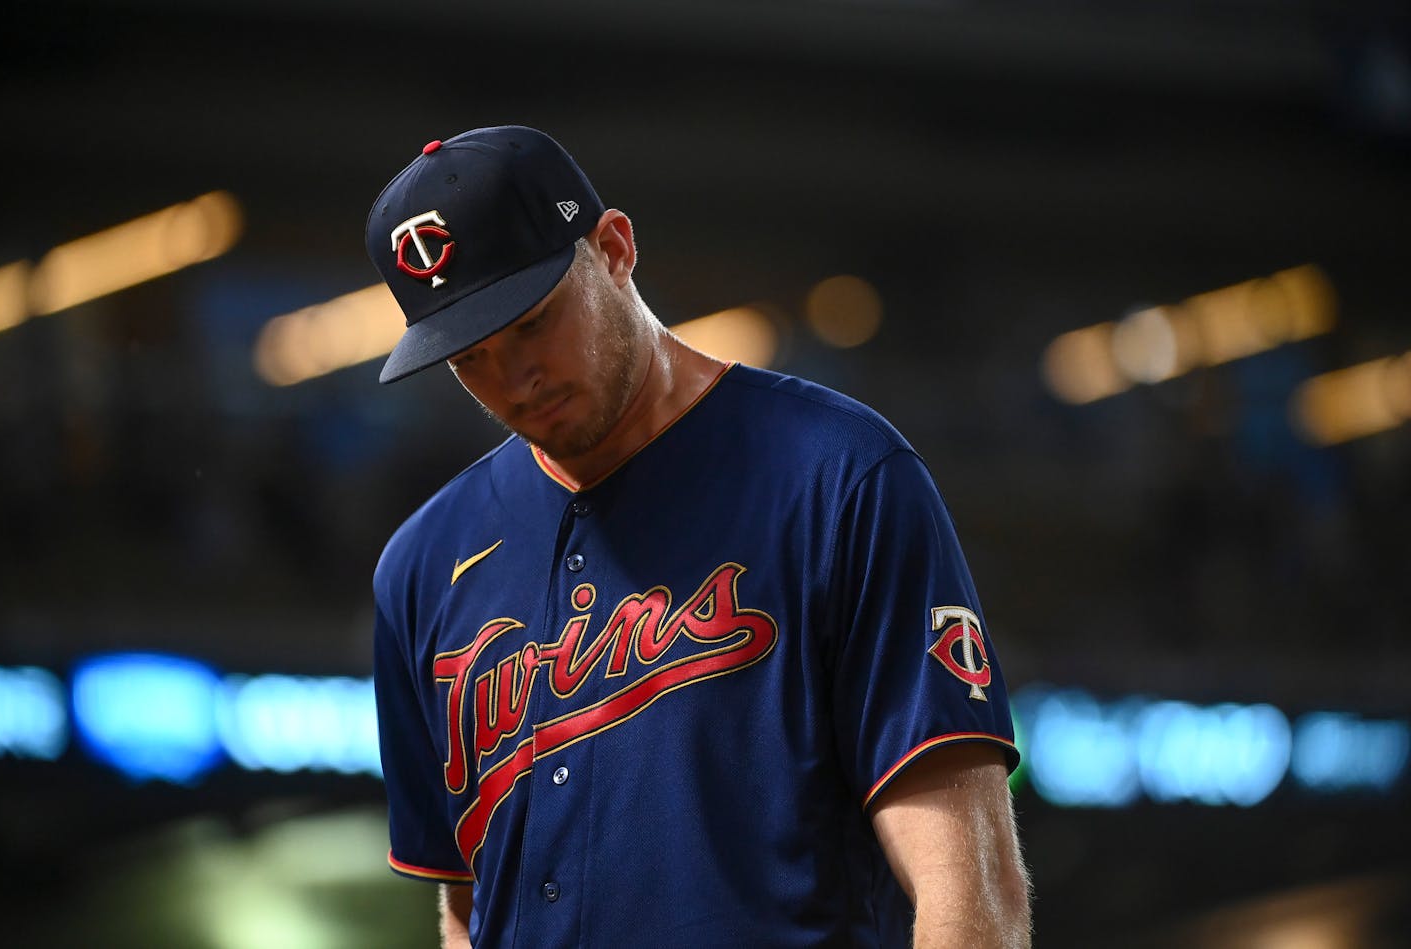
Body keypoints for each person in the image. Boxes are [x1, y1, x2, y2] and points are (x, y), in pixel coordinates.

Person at [365, 125, 1031, 948]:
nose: (514, 378)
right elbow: (468, 908)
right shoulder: (422, 566)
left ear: (613, 250)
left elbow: (969, 889)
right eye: (472, 356)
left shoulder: (836, 475)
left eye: (533, 322)